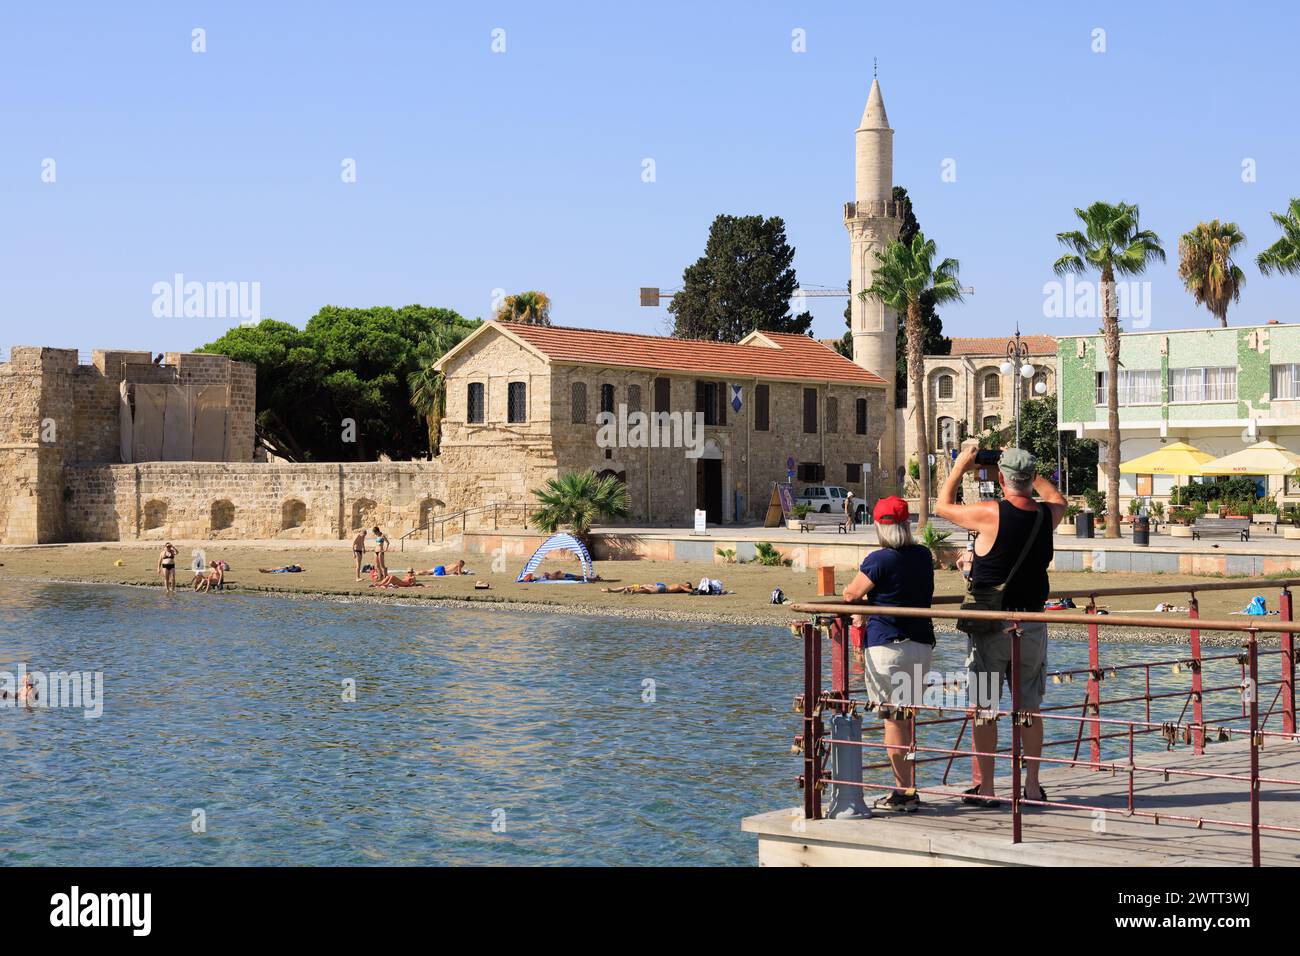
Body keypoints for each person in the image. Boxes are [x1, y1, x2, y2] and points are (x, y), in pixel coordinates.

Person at [935, 445, 1067, 808]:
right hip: (1033, 622)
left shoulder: (991, 513)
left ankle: (988, 787)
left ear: (1001, 478)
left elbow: (941, 507)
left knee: (985, 706)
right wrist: (1028, 468)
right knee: (1029, 706)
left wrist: (960, 466)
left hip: (992, 625)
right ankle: (1033, 786)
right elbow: (1058, 497)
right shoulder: (1046, 514)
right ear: (1030, 479)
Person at [841, 496, 934, 812]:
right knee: (908, 719)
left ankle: (903, 791)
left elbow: (851, 593)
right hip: (921, 644)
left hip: (887, 646)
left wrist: (866, 607)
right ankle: (909, 787)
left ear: (880, 526)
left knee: (893, 721)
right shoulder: (923, 555)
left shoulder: (879, 559)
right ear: (907, 524)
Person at [600, 581, 693, 594]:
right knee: (648, 591)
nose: (685, 585)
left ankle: (611, 590)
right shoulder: (680, 586)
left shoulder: (679, 586)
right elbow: (689, 590)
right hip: (662, 588)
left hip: (659, 585)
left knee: (636, 585)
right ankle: (634, 591)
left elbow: (688, 590)